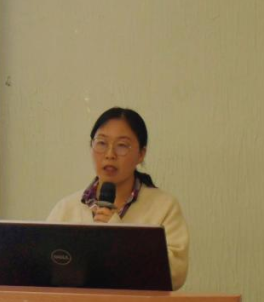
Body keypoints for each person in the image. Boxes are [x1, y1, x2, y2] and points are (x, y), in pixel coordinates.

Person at [46, 107, 189, 290]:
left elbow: (175, 274)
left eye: (122, 145)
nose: (110, 154)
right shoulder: (67, 208)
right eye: (101, 143)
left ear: (141, 154)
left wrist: (119, 238)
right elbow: (46, 268)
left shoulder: (164, 206)